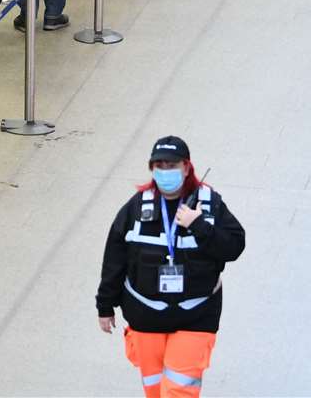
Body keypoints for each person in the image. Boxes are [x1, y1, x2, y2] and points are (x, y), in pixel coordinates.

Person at [96, 136, 246, 398]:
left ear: (187, 167)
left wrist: (199, 225)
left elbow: (234, 247)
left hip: (196, 314)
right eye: (159, 165)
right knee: (155, 390)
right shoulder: (136, 207)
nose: (165, 171)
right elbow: (115, 259)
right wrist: (105, 306)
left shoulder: (209, 204)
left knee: (178, 391)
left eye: (172, 165)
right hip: (145, 315)